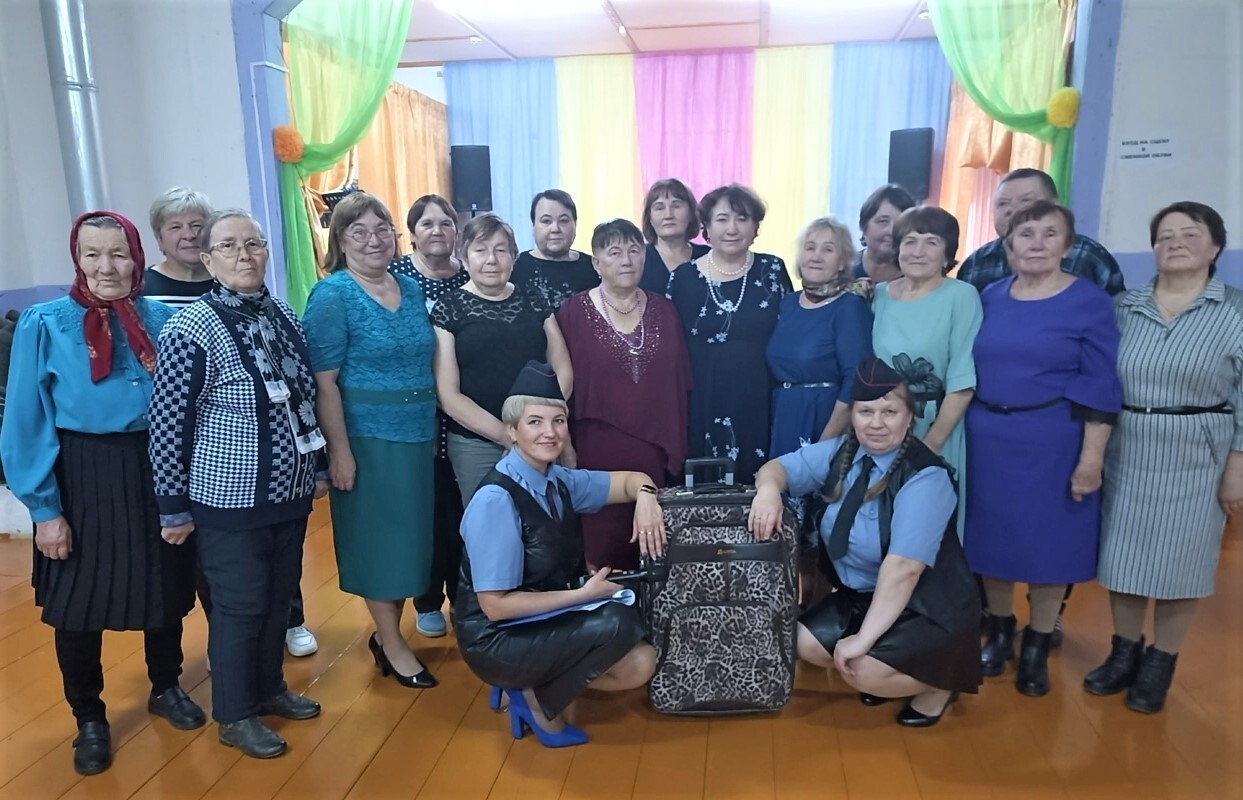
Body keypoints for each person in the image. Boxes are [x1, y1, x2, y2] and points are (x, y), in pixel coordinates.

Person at [0, 212, 202, 776]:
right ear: (77, 258)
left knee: (164, 586)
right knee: (76, 604)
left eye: (118, 253)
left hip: (156, 467)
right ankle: (88, 716)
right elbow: (25, 419)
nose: (106, 267)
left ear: (137, 258)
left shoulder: (165, 319)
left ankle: (166, 685)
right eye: (93, 254)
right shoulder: (45, 322)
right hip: (81, 472)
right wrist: (45, 510)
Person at [149, 209, 329, 759]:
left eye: (254, 243)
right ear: (207, 259)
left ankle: (269, 688)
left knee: (278, 599)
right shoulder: (190, 329)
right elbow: (167, 423)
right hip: (229, 498)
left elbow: (304, 398)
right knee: (240, 605)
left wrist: (319, 466)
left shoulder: (282, 314)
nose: (244, 255)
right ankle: (234, 713)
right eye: (228, 246)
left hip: (289, 492)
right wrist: (172, 505)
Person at [749, 357, 982, 727]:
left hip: (928, 606)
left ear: (910, 417)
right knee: (803, 642)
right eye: (866, 411)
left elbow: (904, 569)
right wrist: (768, 492)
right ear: (853, 416)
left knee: (861, 670)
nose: (876, 423)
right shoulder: (843, 452)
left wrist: (862, 640)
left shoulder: (925, 476)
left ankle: (940, 684)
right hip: (865, 595)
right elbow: (777, 468)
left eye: (889, 412)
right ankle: (890, 666)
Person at [454, 361, 660, 748]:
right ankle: (531, 695)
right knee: (618, 622)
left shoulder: (558, 480)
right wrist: (583, 596)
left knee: (640, 663)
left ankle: (532, 685)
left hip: (541, 618)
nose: (550, 432)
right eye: (535, 422)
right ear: (512, 430)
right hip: (496, 636)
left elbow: (632, 480)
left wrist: (647, 499)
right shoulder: (495, 500)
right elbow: (495, 607)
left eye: (559, 421)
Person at [1087, 201, 1242, 714]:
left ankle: (1161, 662)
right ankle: (1124, 652)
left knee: (1183, 564)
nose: (1175, 242)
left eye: (1190, 234)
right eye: (1165, 235)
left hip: (1201, 451)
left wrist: (1237, 469)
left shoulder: (1236, 311)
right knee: (1123, 558)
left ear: (1215, 246)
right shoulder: (1123, 307)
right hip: (1128, 446)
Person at [965, 200, 1122, 697]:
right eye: (1026, 234)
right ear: (1008, 245)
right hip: (987, 436)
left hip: (1055, 438)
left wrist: (1091, 460)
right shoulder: (990, 296)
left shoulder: (1090, 301)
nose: (1036, 243)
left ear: (1068, 246)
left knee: (1049, 544)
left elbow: (1100, 384)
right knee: (991, 540)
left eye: (1049, 234)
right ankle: (1000, 632)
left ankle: (1036, 644)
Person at [304, 192, 439, 689]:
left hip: (417, 435)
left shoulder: (411, 288)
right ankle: (392, 641)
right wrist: (338, 452)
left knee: (408, 543)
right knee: (378, 542)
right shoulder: (332, 295)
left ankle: (388, 634)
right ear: (340, 240)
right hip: (365, 438)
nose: (373, 240)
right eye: (358, 231)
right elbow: (323, 383)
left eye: (382, 229)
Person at [555, 219, 691, 570]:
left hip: (653, 447)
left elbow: (679, 384)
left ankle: (649, 606)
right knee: (601, 548)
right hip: (594, 449)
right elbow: (558, 389)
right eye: (614, 252)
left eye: (634, 250)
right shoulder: (571, 312)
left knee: (652, 544)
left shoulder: (665, 309)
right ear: (596, 263)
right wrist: (564, 444)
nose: (627, 260)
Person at [431, 213, 573, 505]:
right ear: (465, 259)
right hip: (476, 444)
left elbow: (563, 370)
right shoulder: (449, 307)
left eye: (500, 250)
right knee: (488, 522)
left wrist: (535, 430)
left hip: (542, 438)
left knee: (543, 522)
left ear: (513, 257)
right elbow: (448, 395)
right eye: (480, 250)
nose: (491, 259)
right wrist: (510, 437)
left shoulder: (534, 300)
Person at [667, 183, 793, 483]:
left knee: (761, 485)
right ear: (707, 228)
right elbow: (672, 350)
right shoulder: (683, 278)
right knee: (703, 487)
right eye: (722, 219)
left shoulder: (772, 270)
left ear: (755, 227)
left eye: (742, 218)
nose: (732, 228)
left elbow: (792, 332)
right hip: (702, 400)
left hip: (760, 398)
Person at [871, 206, 981, 540]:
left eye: (931, 242)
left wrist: (927, 447)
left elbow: (962, 382)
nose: (918, 251)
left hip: (935, 427)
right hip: (880, 426)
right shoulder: (878, 295)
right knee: (879, 526)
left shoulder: (961, 296)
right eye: (910, 241)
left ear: (948, 253)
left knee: (926, 531)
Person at [390, 194, 469, 639]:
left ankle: (463, 596)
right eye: (427, 224)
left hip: (465, 411)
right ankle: (426, 599)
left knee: (460, 510)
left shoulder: (471, 274)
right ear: (413, 233)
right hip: (415, 413)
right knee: (425, 510)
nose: (437, 231)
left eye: (445, 223)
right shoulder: (397, 278)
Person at [767, 216, 873, 459]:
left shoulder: (850, 307)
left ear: (842, 262)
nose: (816, 256)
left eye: (828, 249)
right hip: (784, 414)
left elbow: (856, 377)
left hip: (825, 416)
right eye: (810, 247)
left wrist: (826, 442)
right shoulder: (788, 303)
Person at [957, 168, 1125, 296]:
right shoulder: (975, 263)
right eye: (1002, 203)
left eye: (1025, 200)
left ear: (1054, 205)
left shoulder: (1087, 256)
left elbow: (1118, 317)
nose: (1011, 210)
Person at [511, 189, 599, 308]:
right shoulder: (515, 268)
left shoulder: (594, 268)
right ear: (533, 226)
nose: (555, 229)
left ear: (575, 225)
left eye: (563, 221)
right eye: (546, 221)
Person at [142, 186, 215, 309]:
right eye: (176, 227)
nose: (189, 235)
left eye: (196, 225)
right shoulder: (140, 288)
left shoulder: (228, 285)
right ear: (159, 239)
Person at [638, 178, 709, 295]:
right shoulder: (637, 258)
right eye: (659, 208)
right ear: (649, 217)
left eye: (676, 206)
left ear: (691, 213)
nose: (668, 215)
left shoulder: (709, 257)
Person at [850, 184, 916, 288]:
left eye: (900, 222)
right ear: (863, 226)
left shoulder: (918, 279)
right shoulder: (841, 270)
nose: (891, 231)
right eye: (883, 221)